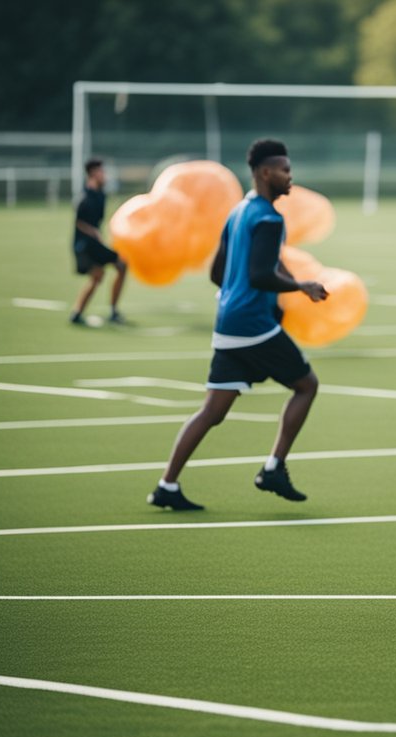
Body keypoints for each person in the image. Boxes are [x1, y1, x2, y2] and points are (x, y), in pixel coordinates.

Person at [147, 139, 328, 511]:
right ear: (265, 172)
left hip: (229, 323)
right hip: (253, 326)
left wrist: (236, 293)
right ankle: (273, 468)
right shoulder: (269, 218)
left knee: (212, 412)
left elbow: (218, 271)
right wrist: (300, 286)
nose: (290, 177)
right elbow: (261, 273)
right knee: (306, 385)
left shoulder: (239, 211)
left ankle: (166, 485)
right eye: (285, 170)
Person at [70, 158, 127, 325]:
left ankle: (77, 313)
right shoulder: (85, 196)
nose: (105, 175)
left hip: (94, 243)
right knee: (120, 265)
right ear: (94, 173)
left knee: (98, 276)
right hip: (85, 245)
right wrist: (94, 232)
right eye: (102, 172)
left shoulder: (100, 194)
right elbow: (79, 222)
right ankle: (113, 311)